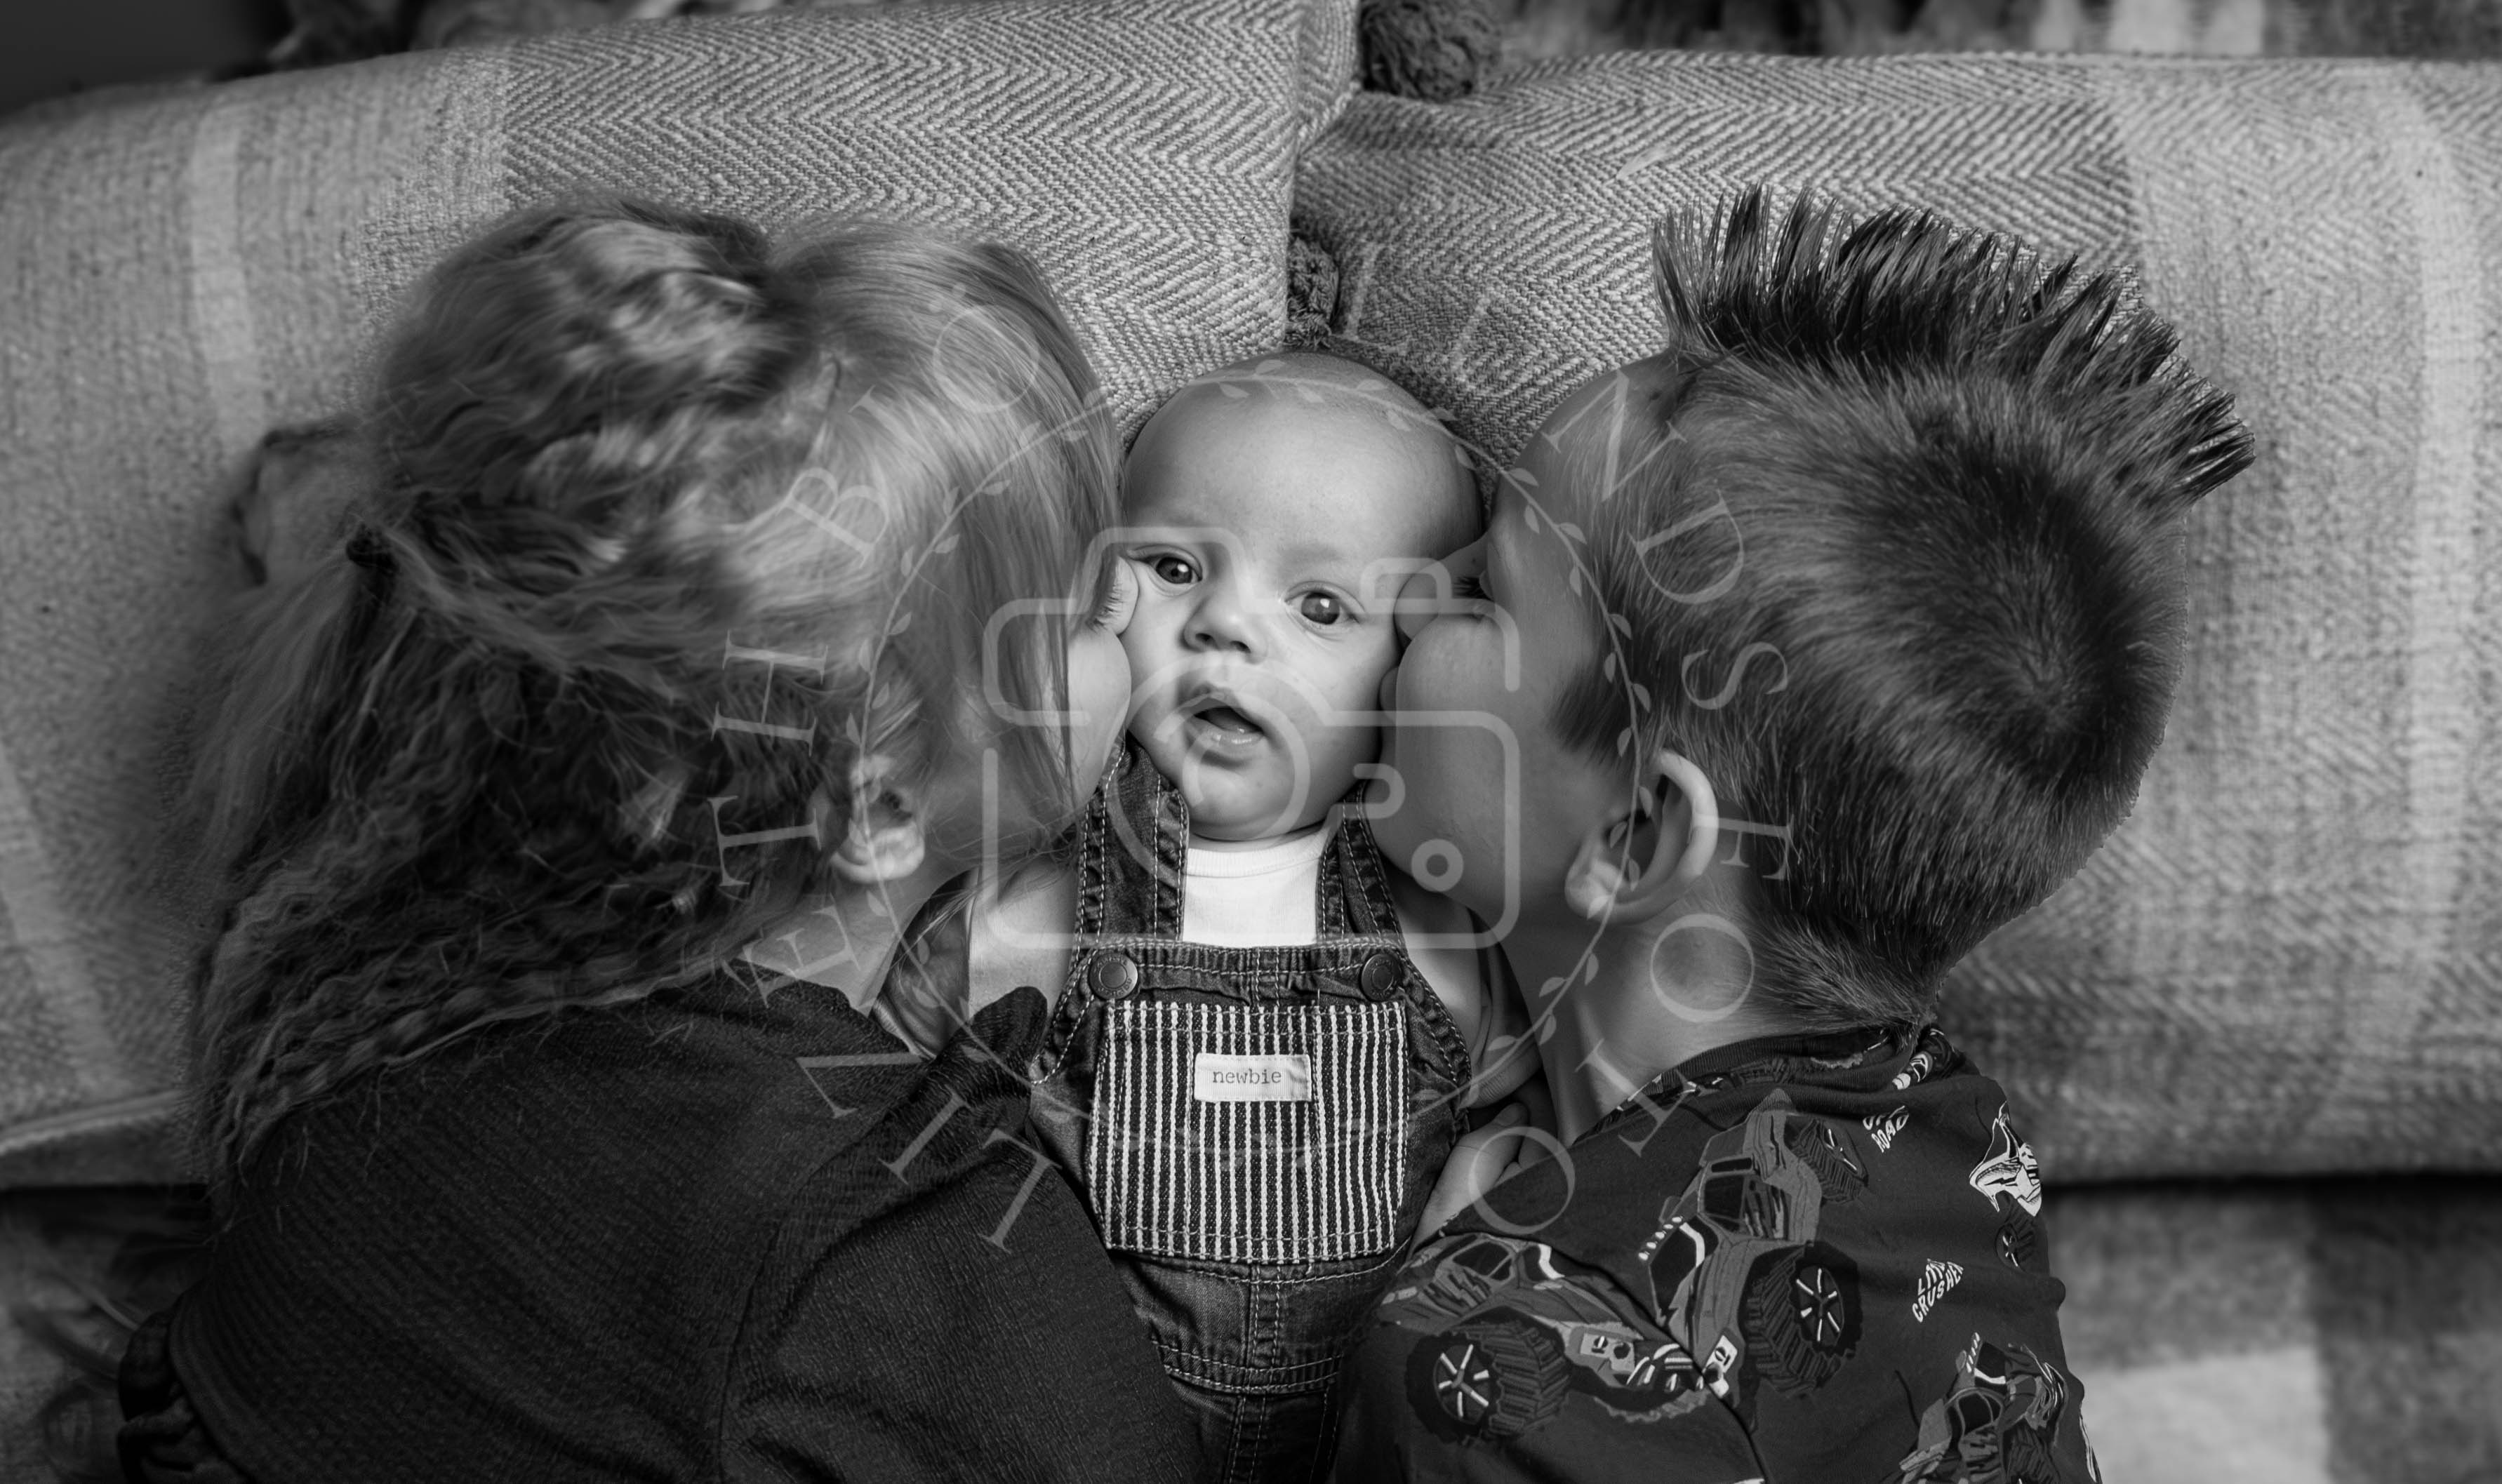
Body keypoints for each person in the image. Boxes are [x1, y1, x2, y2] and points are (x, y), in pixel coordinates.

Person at [113, 196, 1197, 1483]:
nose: (1137, 606)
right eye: (1081, 604)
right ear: (874, 808)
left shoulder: (373, 964)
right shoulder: (891, 1246)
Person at [1329, 188, 2254, 1480]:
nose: (1413, 594)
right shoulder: (1955, 1142)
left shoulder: (1494, 1376)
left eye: (1483, 588)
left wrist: (1472, 1302)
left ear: (1637, 834)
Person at [877, 352, 1535, 1480]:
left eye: (1319, 605)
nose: (1225, 623)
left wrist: (1473, 1213)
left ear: (1413, 665)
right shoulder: (1027, 899)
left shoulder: (1443, 926)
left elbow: (1527, 1138)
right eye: (1175, 567)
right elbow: (882, 1128)